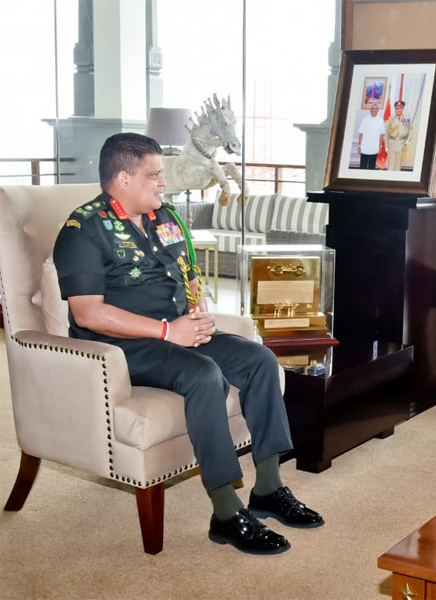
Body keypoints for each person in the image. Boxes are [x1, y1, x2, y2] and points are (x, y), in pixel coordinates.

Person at [53, 133, 323, 555]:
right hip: (122, 349)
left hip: (178, 332)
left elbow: (189, 275)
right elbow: (87, 313)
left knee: (260, 361)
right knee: (204, 376)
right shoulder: (83, 229)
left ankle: (268, 488)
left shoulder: (167, 217)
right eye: (154, 174)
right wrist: (166, 332)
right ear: (123, 178)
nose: (164, 182)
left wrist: (197, 313)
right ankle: (226, 511)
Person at [385, 100, 414, 171]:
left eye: (400, 108)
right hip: (392, 143)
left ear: (403, 108)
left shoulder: (406, 118)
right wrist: (386, 145)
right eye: (397, 108)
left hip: (401, 143)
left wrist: (409, 139)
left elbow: (411, 129)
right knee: (390, 164)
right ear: (395, 109)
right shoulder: (391, 118)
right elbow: (386, 132)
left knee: (398, 164)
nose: (399, 110)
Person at [357, 102, 384, 170]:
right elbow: (361, 133)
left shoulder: (380, 120)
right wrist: (359, 146)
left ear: (378, 110)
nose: (374, 110)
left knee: (371, 168)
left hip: (374, 149)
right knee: (362, 167)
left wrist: (380, 146)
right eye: (372, 108)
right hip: (364, 148)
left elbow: (381, 135)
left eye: (376, 108)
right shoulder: (365, 119)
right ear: (370, 110)